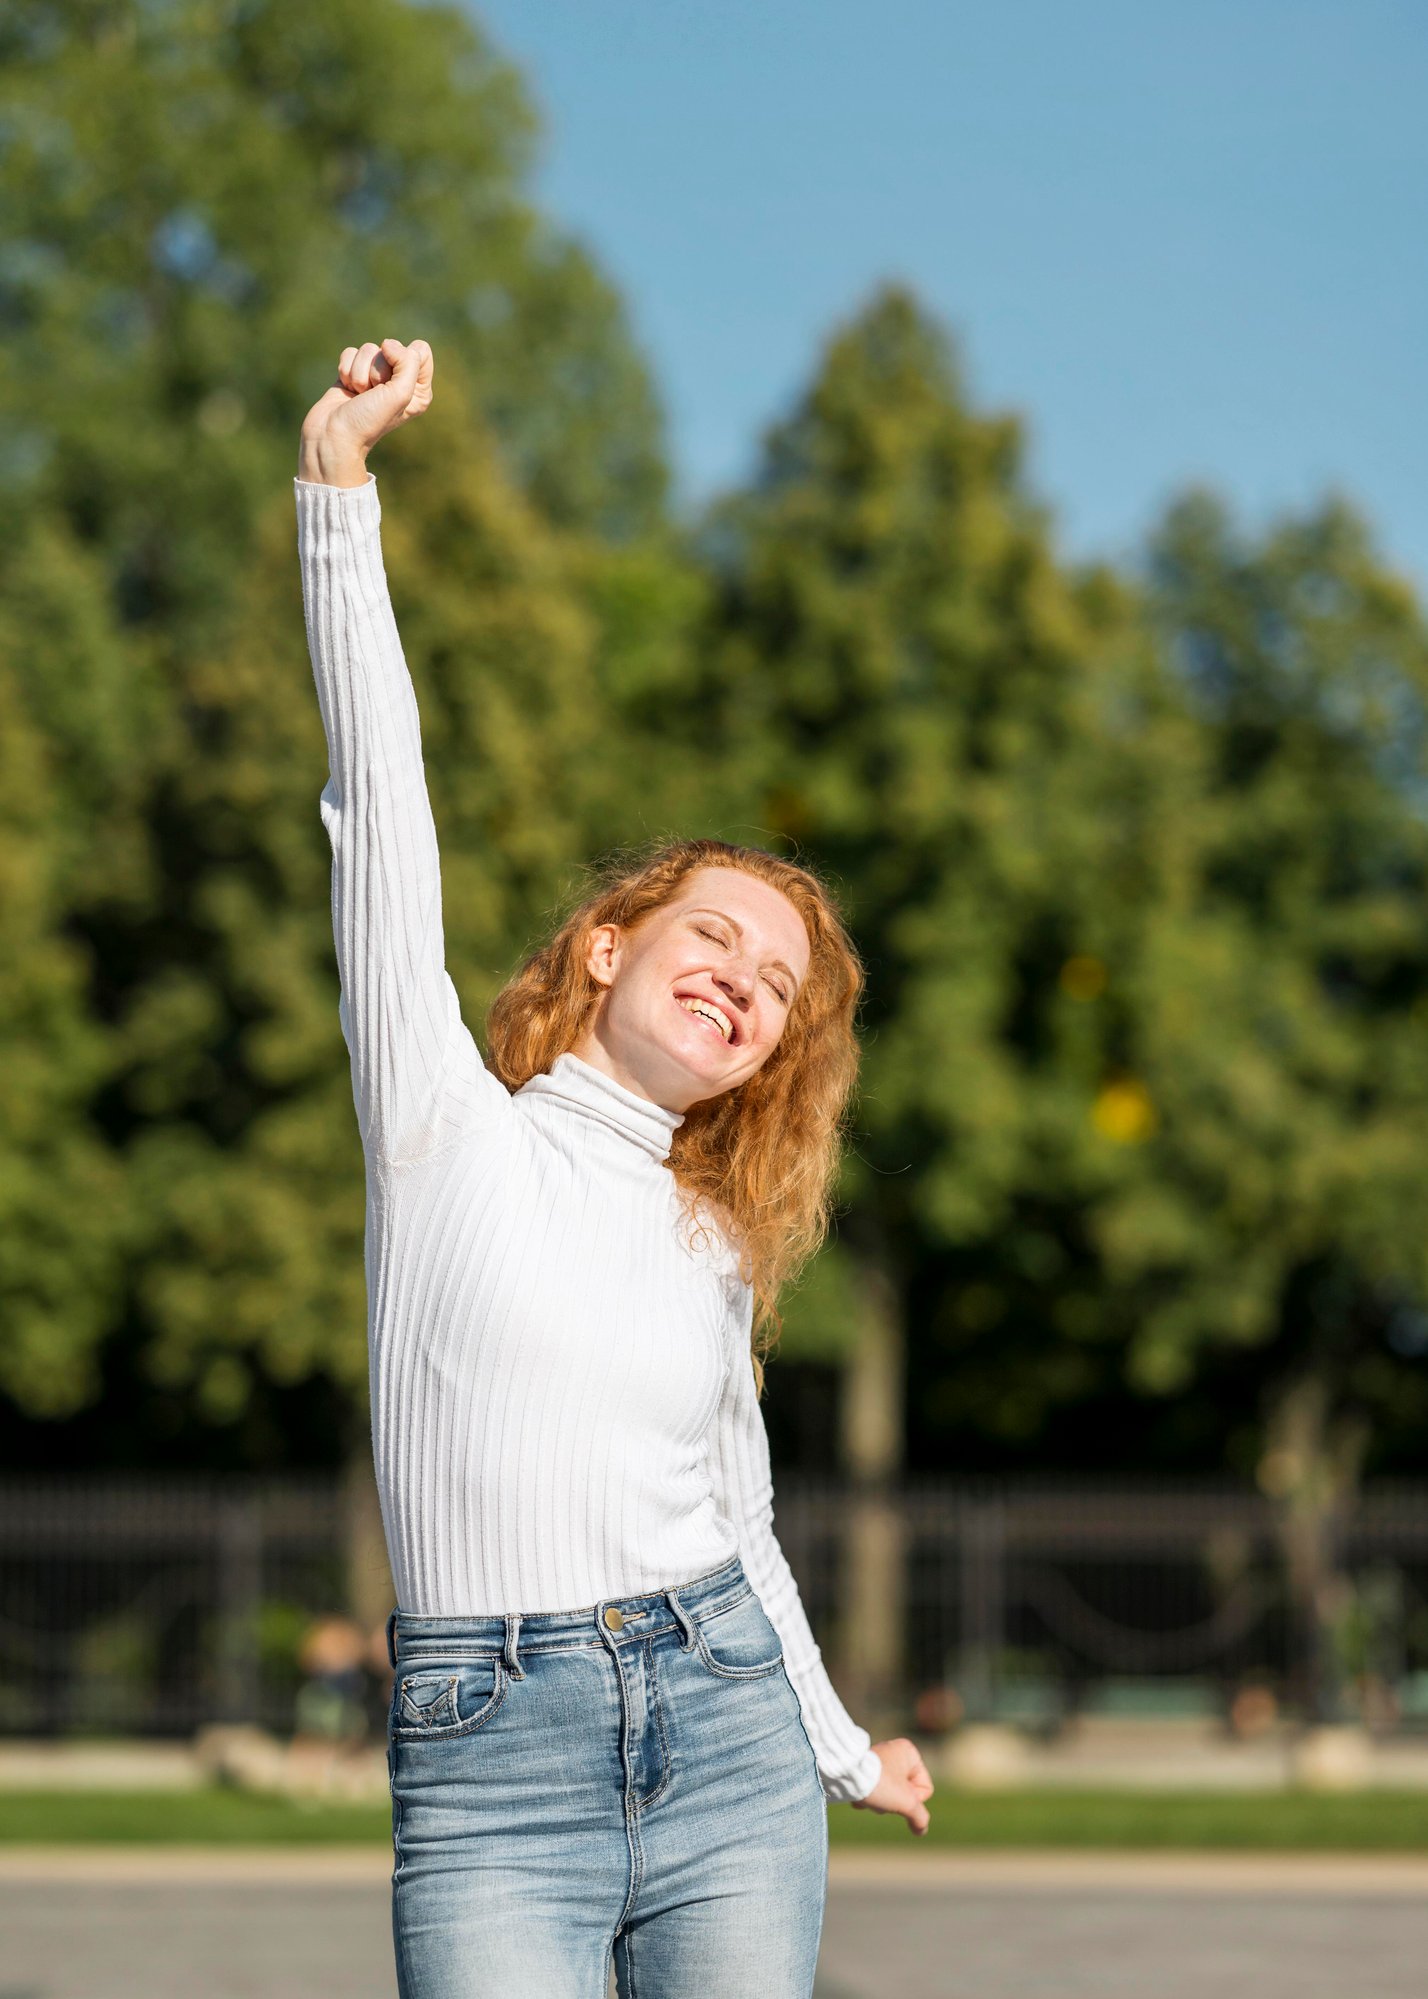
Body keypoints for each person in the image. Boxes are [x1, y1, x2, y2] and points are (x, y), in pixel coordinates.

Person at [295, 336, 933, 1999]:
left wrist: (838, 1742)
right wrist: (339, 492)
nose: (742, 980)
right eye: (712, 936)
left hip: (727, 1734)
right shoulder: (442, 1126)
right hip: (491, 1757)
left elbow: (740, 1509)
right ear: (603, 948)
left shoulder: (712, 1234)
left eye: (776, 988)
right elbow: (381, 806)